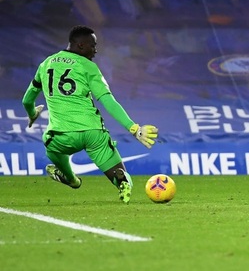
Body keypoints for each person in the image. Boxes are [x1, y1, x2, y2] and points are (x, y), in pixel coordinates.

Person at [22, 25, 159, 204]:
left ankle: (71, 179)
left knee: (51, 147)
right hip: (93, 132)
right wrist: (133, 128)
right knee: (121, 174)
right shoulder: (89, 67)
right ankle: (122, 182)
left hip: (62, 135)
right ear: (80, 46)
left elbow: (27, 100)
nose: (95, 50)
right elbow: (108, 101)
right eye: (92, 45)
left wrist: (32, 114)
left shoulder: (46, 64)